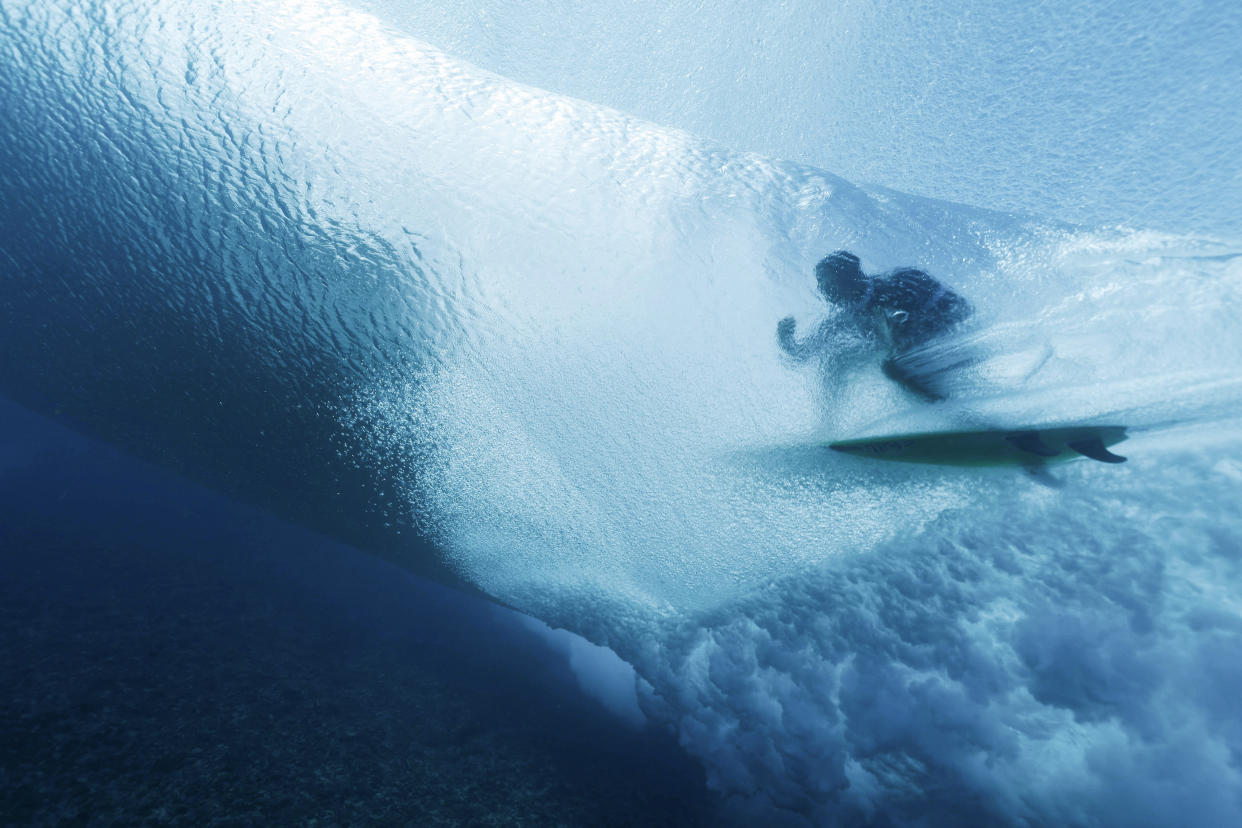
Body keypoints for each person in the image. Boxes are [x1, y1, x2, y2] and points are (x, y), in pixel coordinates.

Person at [777, 250, 974, 399]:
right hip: (917, 351)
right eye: (820, 283)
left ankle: (948, 411)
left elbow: (960, 311)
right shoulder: (846, 315)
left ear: (849, 280)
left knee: (893, 366)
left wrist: (898, 336)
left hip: (955, 337)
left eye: (827, 282)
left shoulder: (893, 288)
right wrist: (786, 339)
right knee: (834, 362)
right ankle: (826, 429)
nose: (822, 289)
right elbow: (802, 353)